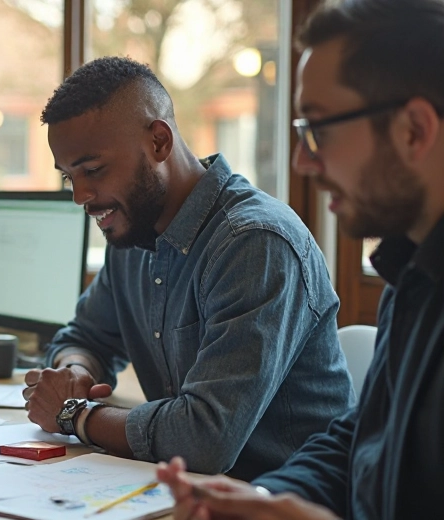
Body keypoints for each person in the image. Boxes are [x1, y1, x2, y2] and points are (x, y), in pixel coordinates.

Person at [158, 0, 444, 520]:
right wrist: (265, 504)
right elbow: (360, 442)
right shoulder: (412, 275)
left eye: (317, 130)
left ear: (414, 130)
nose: (301, 162)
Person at [23, 56, 353, 481]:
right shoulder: (131, 232)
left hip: (282, 499)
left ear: (159, 142)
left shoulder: (253, 243)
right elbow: (86, 338)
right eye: (70, 177)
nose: (80, 196)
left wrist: (75, 415)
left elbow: (205, 438)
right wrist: (75, 373)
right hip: (189, 491)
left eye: (93, 170)